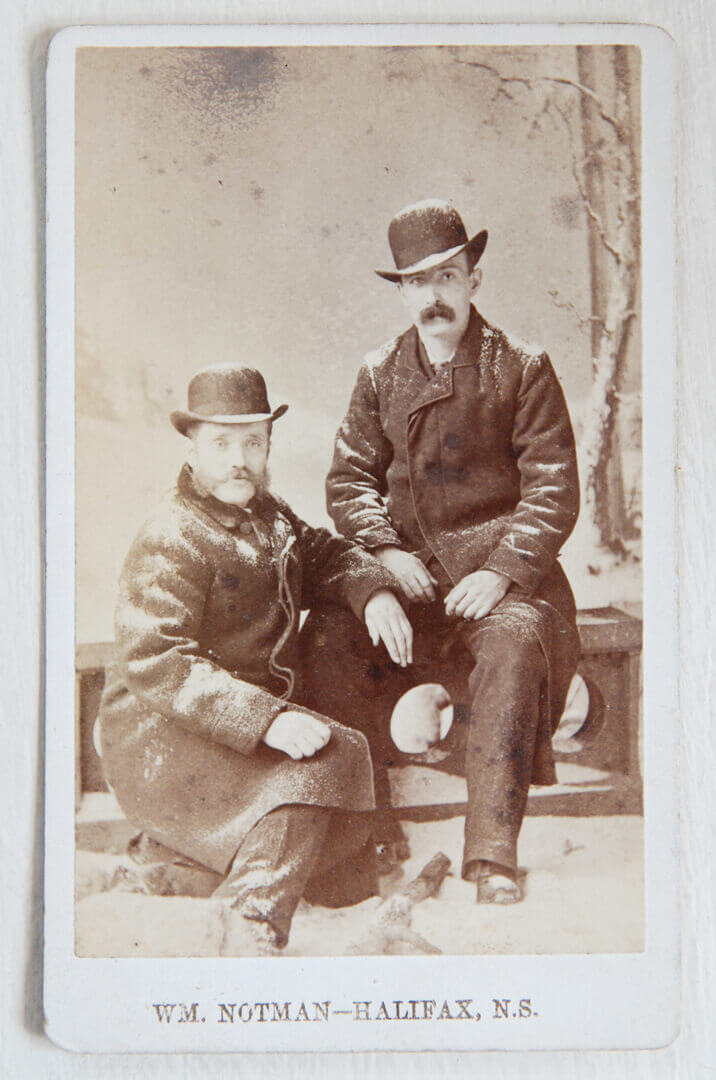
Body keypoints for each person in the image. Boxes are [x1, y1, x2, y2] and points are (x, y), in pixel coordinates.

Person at [300, 199, 582, 903]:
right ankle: (374, 833)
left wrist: (501, 572)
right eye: (417, 283)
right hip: (413, 579)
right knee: (329, 639)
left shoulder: (521, 367)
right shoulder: (378, 374)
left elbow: (553, 490)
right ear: (402, 293)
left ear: (473, 281)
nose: (433, 297)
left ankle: (491, 856)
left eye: (447, 277)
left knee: (517, 645)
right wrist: (385, 561)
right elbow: (349, 482)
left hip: (502, 581)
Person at [96, 363, 410, 953]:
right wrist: (266, 719)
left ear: (268, 446)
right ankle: (250, 917)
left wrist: (375, 590)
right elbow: (155, 659)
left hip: (225, 729)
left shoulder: (268, 514)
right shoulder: (173, 533)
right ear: (193, 448)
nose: (239, 459)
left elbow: (324, 553)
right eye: (221, 443)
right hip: (162, 734)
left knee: (345, 800)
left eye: (253, 442)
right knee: (324, 765)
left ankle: (173, 865)